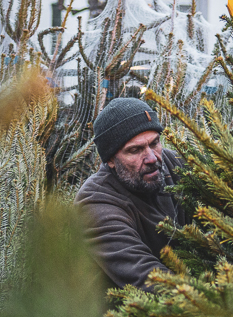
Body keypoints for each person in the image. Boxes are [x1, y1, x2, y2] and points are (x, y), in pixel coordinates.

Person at [73, 97, 189, 289]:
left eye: (154, 143)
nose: (152, 158)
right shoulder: (95, 204)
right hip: (127, 314)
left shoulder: (171, 163)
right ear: (110, 160)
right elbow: (148, 278)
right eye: (135, 150)